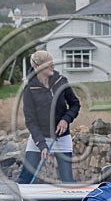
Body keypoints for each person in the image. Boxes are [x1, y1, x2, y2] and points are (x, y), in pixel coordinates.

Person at [17, 50, 80, 184]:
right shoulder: (29, 89)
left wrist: (65, 119)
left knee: (67, 180)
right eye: (49, 63)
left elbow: (75, 105)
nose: (53, 66)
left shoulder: (61, 81)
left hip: (62, 137)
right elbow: (30, 120)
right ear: (38, 67)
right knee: (26, 177)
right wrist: (41, 144)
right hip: (39, 137)